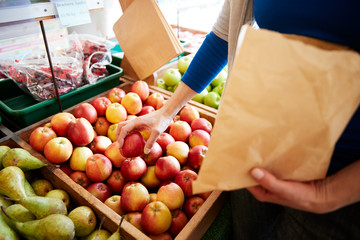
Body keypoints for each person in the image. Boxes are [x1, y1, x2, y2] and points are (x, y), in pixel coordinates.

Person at [116, 0, 360, 239]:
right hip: (254, 145)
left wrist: (328, 193)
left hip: (339, 177)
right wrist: (166, 112)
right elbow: (224, 36)